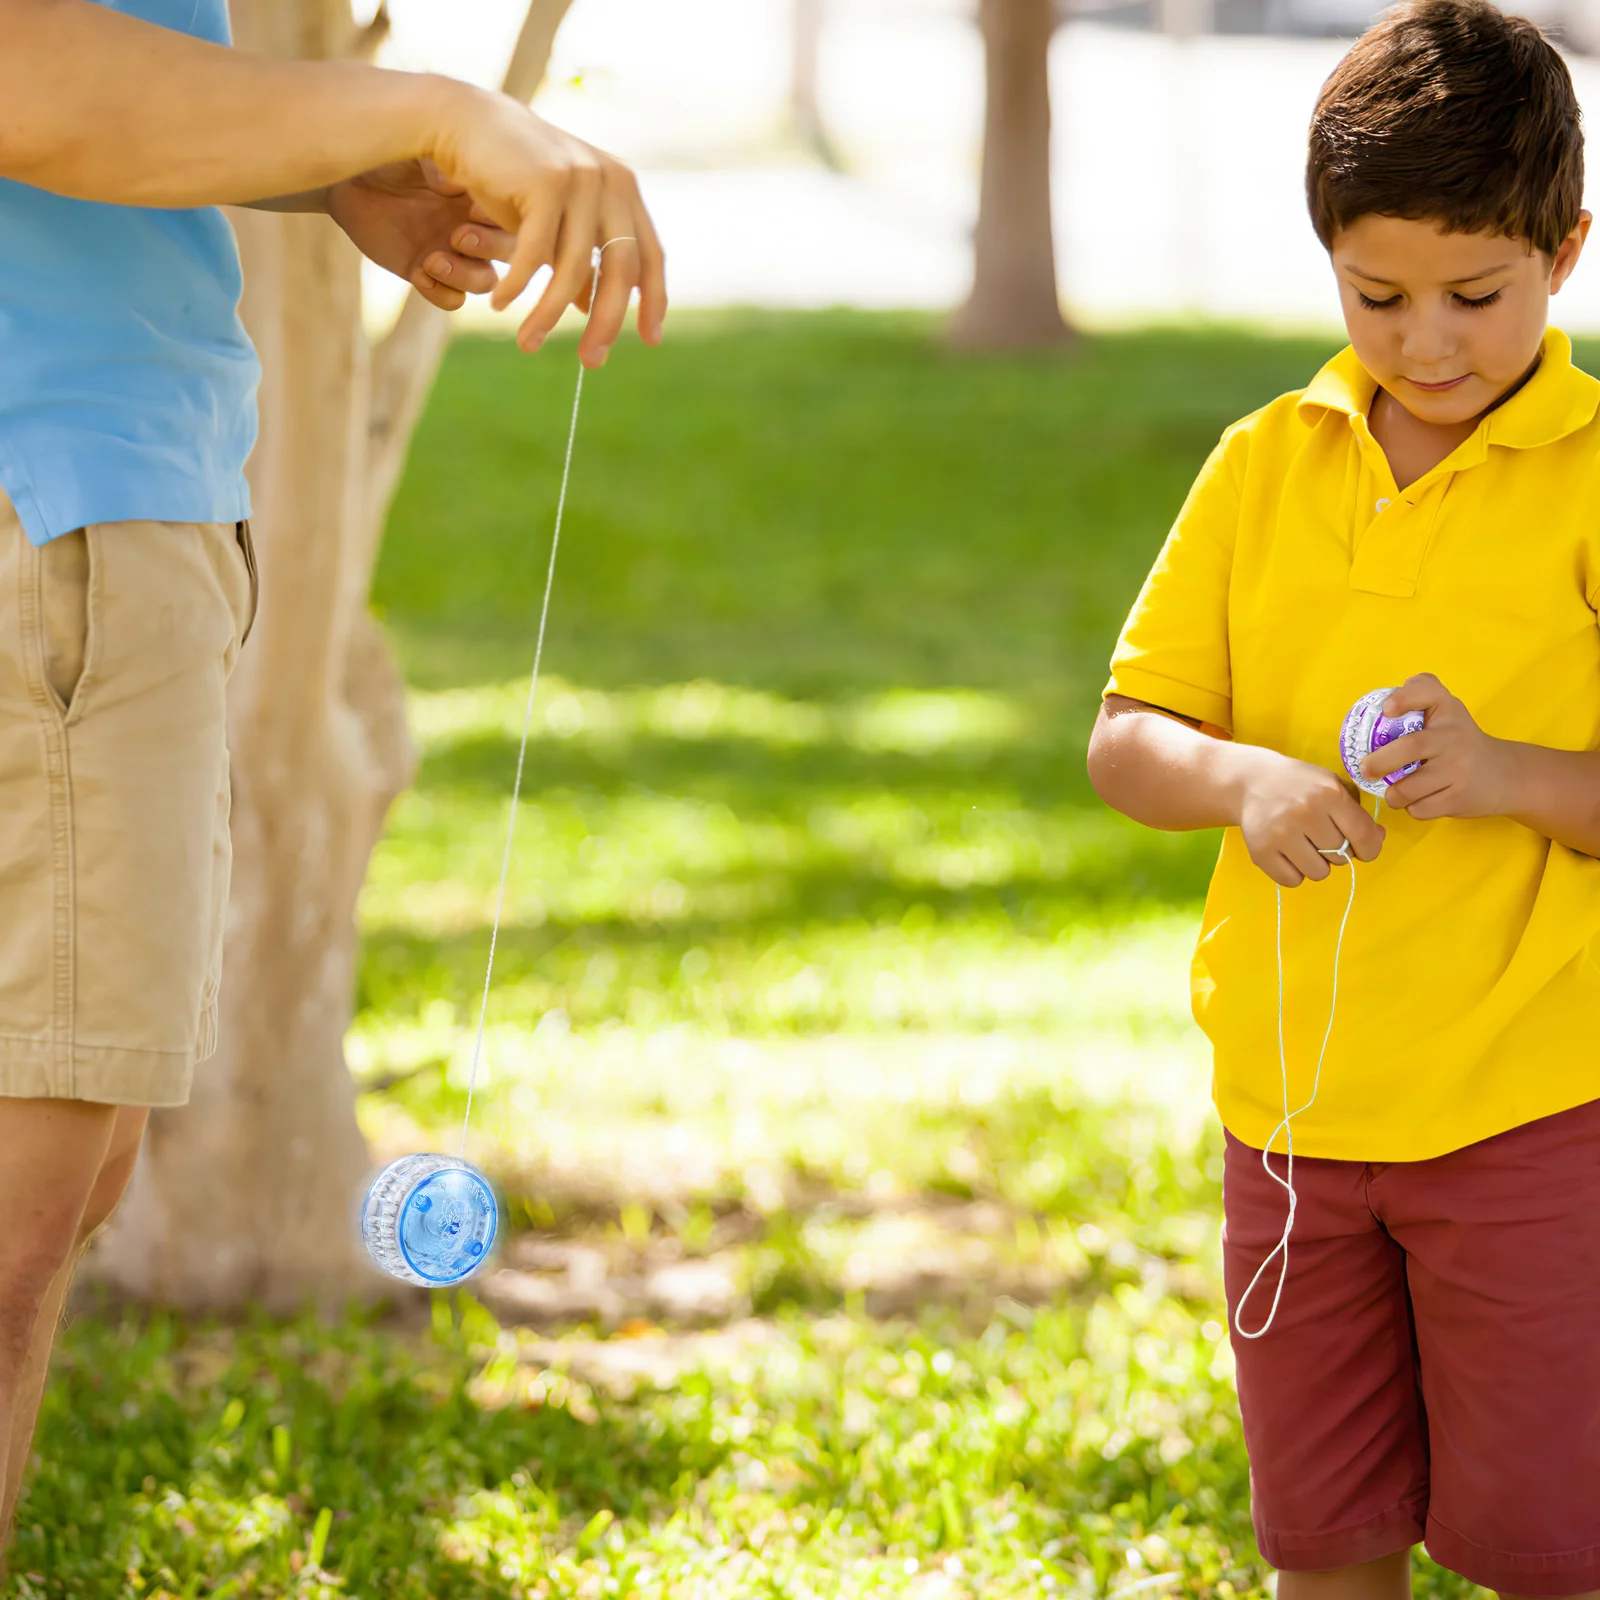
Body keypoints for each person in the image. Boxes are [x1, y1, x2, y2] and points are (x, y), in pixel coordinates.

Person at [0, 0, 666, 1558]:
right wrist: (431, 107)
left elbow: (98, 65)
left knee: (65, 1180)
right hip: (52, 509)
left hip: (114, 497)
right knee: (22, 1208)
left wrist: (333, 161)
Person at [1087, 4, 1600, 1597]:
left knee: (1547, 1549)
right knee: (1326, 1539)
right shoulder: (1267, 463)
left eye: (1477, 295)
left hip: (1532, 1110)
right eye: (1378, 296)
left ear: (1567, 251)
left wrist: (1508, 775)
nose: (1427, 341)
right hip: (1294, 1119)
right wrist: (1242, 779)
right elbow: (1127, 736)